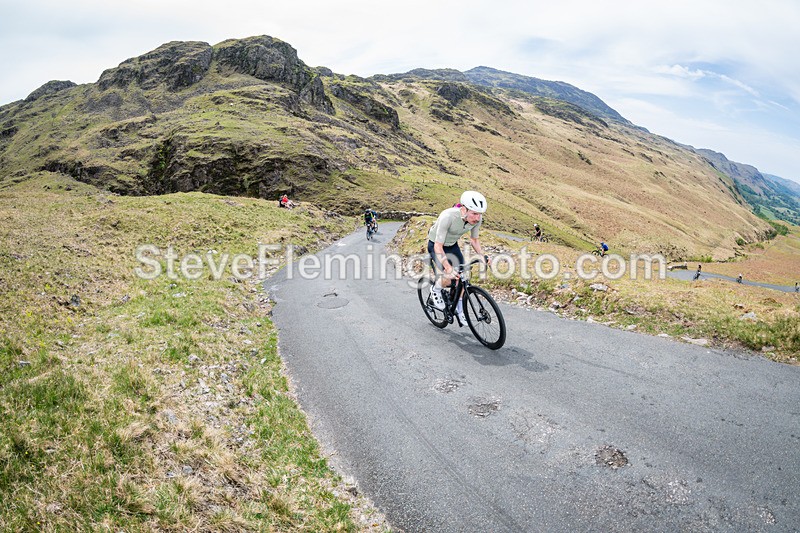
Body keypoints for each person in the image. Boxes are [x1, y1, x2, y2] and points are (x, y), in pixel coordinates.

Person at [428, 190, 491, 327]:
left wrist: (482, 255)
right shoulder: (448, 216)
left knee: (463, 276)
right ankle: (436, 289)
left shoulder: (477, 219)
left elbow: (474, 240)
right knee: (450, 275)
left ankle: (460, 309)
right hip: (436, 245)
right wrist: (448, 268)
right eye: (474, 213)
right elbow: (438, 246)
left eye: (480, 214)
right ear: (463, 210)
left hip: (452, 245)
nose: (477, 218)